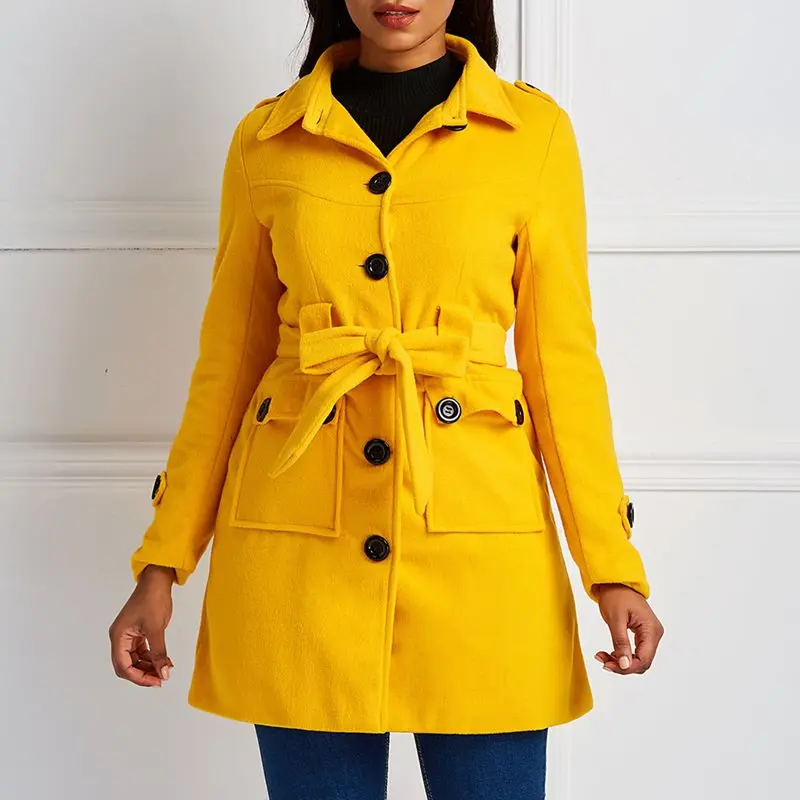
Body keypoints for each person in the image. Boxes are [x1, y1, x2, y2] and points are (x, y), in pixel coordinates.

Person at [109, 1, 665, 797]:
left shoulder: (532, 135)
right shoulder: (266, 139)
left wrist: (612, 569)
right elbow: (227, 367)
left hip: (479, 550)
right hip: (298, 558)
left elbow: (562, 367)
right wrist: (161, 563)